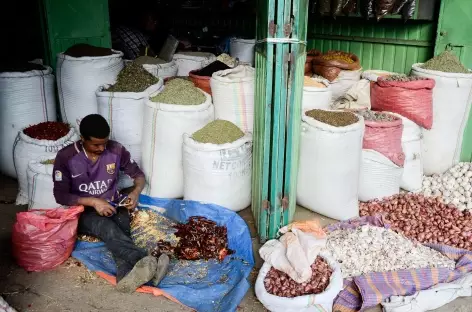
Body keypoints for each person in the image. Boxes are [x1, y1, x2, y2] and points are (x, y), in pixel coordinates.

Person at [53, 114, 169, 293]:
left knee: (122, 229)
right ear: (82, 138)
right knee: (108, 229)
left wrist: (135, 193)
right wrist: (93, 201)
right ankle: (144, 260)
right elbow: (60, 195)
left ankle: (127, 278)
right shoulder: (66, 157)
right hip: (83, 211)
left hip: (114, 203)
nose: (101, 148)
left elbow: (138, 176)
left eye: (104, 143)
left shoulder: (116, 150)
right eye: (96, 144)